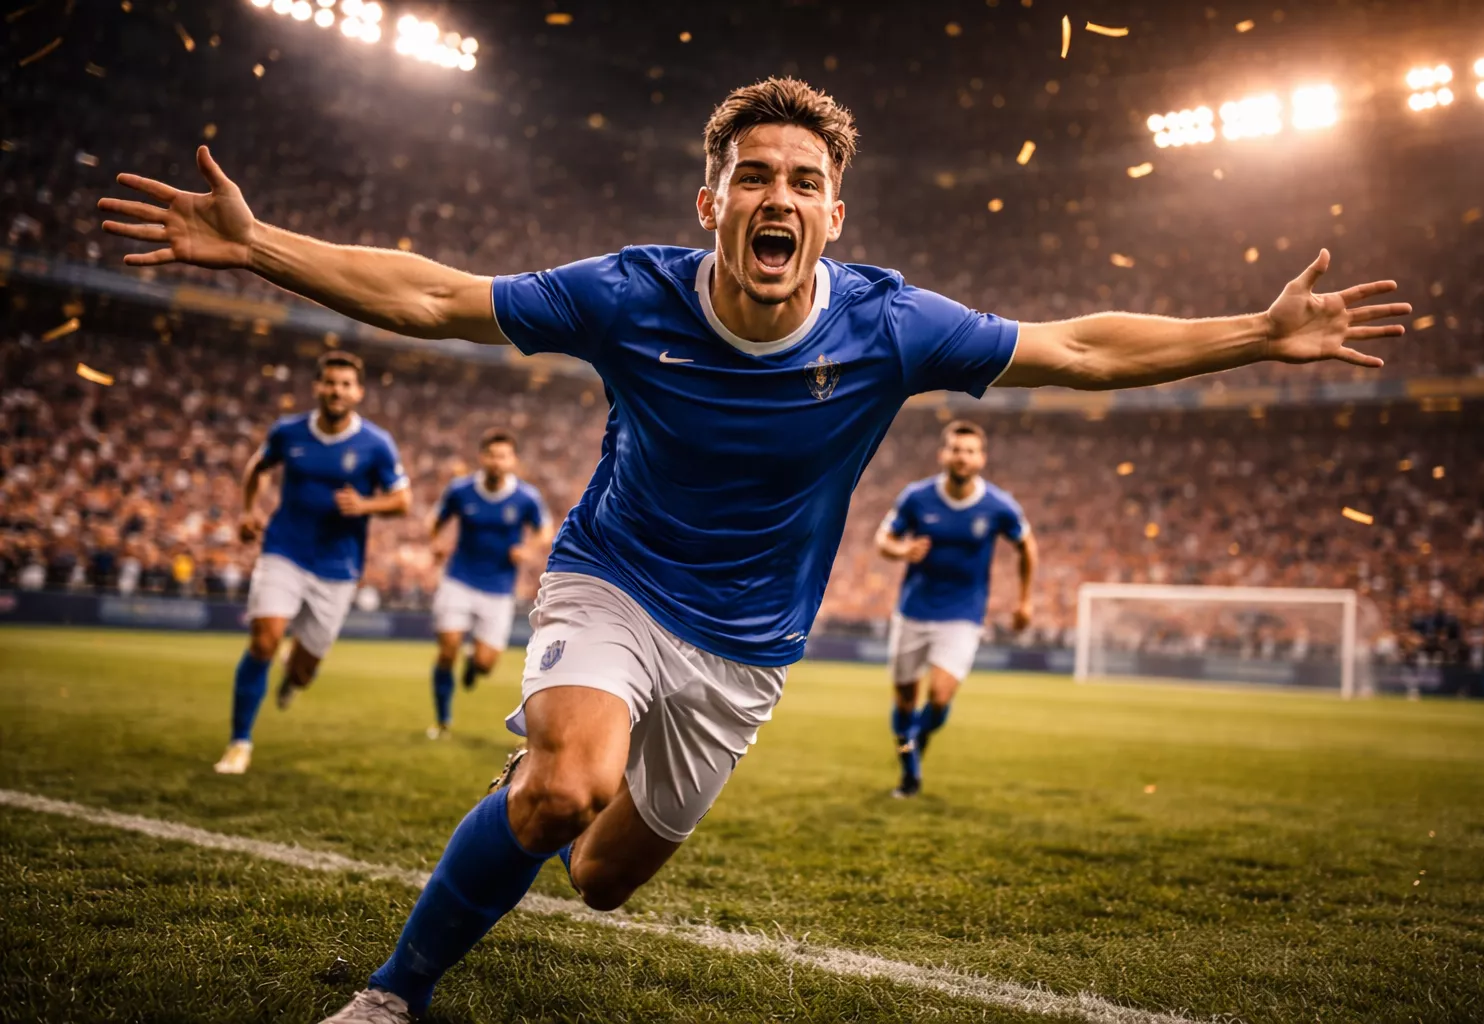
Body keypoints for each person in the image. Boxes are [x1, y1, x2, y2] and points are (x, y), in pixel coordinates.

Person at [99, 76, 1409, 1023]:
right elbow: (436, 296)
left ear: (834, 215)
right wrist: (258, 245)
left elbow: (1078, 349)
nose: (778, 198)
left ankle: (559, 768)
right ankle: (397, 991)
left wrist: (1256, 331)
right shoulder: (630, 295)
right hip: (614, 577)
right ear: (712, 201)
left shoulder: (891, 328)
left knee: (603, 879)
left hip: (746, 648)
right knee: (561, 793)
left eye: (805, 182)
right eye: (756, 177)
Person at [211, 351, 410, 775]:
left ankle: (292, 676)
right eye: (329, 382)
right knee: (263, 640)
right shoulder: (288, 432)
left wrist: (365, 504)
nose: (336, 391)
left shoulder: (376, 444)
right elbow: (257, 468)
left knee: (304, 671)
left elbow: (402, 500)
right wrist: (248, 512)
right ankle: (239, 743)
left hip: (338, 566)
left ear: (358, 392)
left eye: (345, 384)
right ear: (317, 387)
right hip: (285, 548)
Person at [876, 420, 1036, 797]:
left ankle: (911, 745)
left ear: (982, 458)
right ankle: (910, 772)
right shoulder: (916, 497)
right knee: (904, 699)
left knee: (941, 696)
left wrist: (1025, 600)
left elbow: (1027, 546)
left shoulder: (999, 506)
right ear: (942, 455)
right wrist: (902, 551)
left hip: (963, 614)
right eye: (955, 450)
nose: (962, 457)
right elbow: (884, 539)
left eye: (969, 451)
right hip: (913, 609)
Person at [426, 428, 551, 738]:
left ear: (513, 461)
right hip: (459, 578)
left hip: (498, 588)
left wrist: (529, 549)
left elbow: (545, 530)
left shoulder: (526, 497)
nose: (497, 462)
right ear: (482, 458)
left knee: (485, 664)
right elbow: (436, 521)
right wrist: (437, 542)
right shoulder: (460, 490)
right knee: (448, 648)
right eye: (492, 455)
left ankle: (473, 664)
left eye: (503, 456)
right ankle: (443, 721)